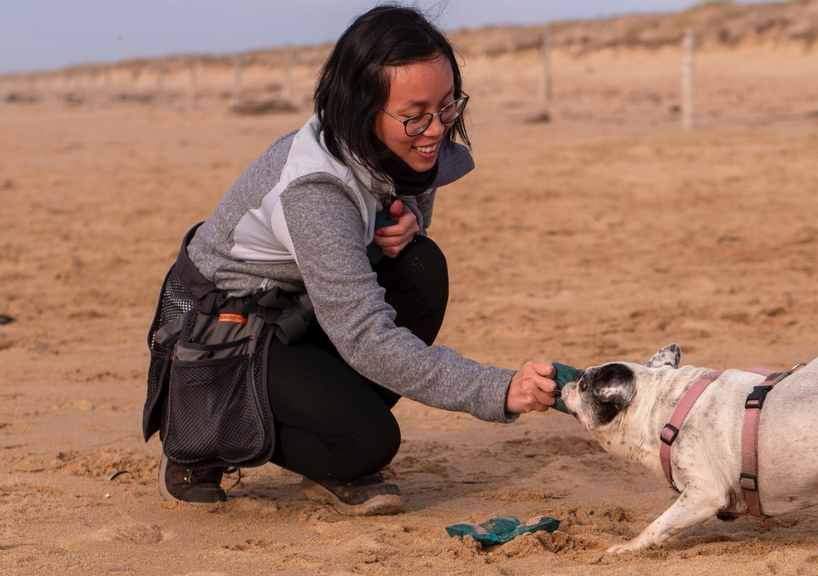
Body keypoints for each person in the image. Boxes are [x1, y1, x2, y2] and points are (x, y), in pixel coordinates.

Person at [147, 5, 558, 515]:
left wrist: (411, 218)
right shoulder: (315, 190)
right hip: (223, 330)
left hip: (297, 308)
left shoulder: (394, 145)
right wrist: (497, 389)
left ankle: (332, 432)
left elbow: (404, 203)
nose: (436, 130)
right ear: (363, 108)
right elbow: (364, 335)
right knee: (369, 443)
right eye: (415, 115)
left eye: (448, 106)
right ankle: (198, 431)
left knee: (422, 266)